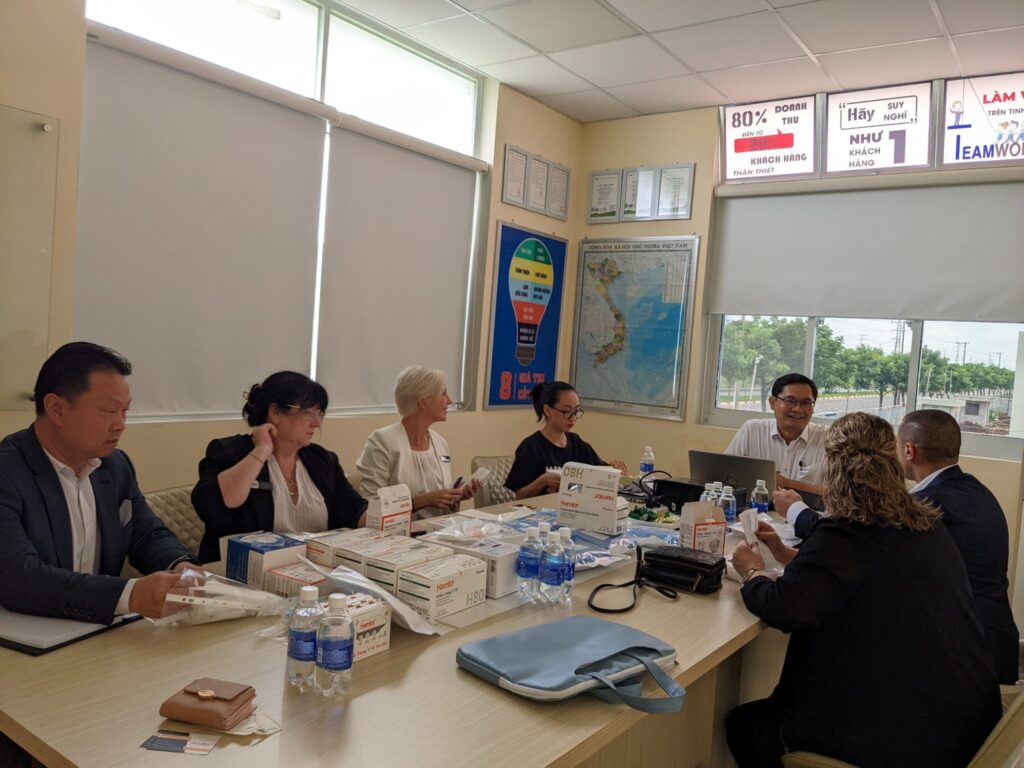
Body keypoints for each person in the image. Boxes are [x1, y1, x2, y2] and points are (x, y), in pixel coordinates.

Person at [727, 412, 1000, 768]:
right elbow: (863, 573)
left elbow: (784, 608)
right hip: (964, 719)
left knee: (744, 727)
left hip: (906, 738)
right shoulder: (923, 523)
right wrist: (787, 555)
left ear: (832, 467)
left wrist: (752, 571)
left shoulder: (846, 533)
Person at [0, 342, 199, 625]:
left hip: (94, 629)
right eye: (109, 410)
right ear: (56, 408)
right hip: (20, 633)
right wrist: (128, 595)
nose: (120, 424)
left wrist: (181, 567)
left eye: (125, 411)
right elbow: (17, 576)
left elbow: (147, 534)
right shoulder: (8, 471)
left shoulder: (115, 466)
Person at [192, 371, 367, 562]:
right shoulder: (229, 453)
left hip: (310, 568)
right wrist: (262, 450)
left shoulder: (322, 460)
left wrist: (381, 517)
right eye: (308, 412)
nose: (316, 423)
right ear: (275, 412)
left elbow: (353, 508)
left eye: (319, 413)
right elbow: (215, 508)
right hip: (241, 570)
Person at [356, 366, 479, 518]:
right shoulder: (382, 442)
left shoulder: (440, 443)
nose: (450, 400)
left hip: (439, 529)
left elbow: (442, 508)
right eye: (443, 393)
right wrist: (422, 501)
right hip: (400, 531)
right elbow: (372, 508)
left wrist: (455, 496)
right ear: (423, 402)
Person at [504, 381, 627, 499]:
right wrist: (542, 481)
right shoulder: (530, 447)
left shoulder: (575, 442)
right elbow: (519, 497)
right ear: (547, 410)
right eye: (567, 412)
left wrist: (612, 468)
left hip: (570, 507)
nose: (573, 418)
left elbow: (596, 474)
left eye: (576, 411)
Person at [725, 372, 826, 495]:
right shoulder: (752, 430)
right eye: (790, 401)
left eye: (806, 403)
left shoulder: (827, 439)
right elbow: (725, 476)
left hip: (807, 508)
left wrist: (786, 483)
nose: (798, 409)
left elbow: (839, 494)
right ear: (773, 402)